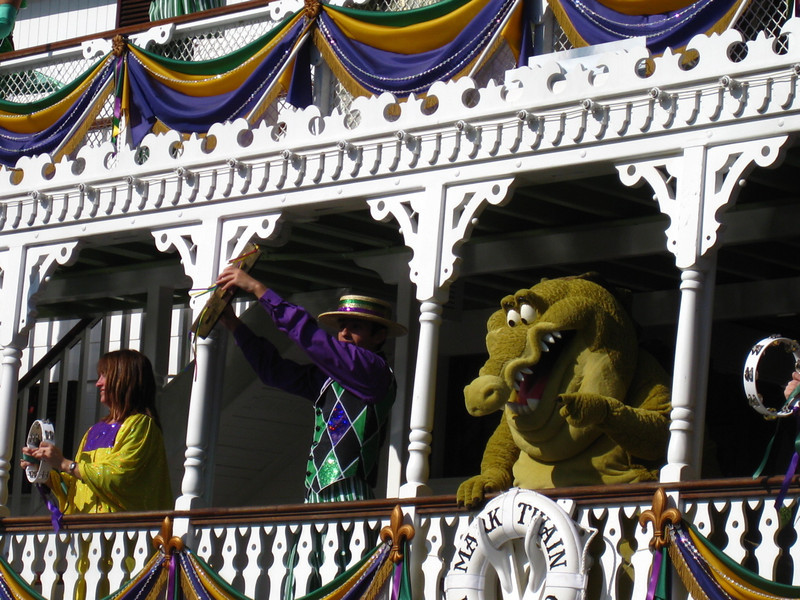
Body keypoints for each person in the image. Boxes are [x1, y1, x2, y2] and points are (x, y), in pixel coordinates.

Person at [215, 266, 407, 503]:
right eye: (342, 326)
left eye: (356, 327)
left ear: (379, 336)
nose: (344, 333)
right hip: (316, 496)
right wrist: (234, 325)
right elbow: (274, 372)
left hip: (349, 496)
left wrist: (258, 289)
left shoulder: (374, 371)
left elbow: (311, 338)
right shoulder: (331, 379)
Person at [20, 349, 173, 514]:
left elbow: (118, 477)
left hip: (121, 527)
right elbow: (77, 488)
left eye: (104, 376)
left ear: (125, 379)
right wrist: (43, 470)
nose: (98, 383)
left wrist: (64, 463)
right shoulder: (94, 431)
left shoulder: (141, 425)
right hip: (87, 528)